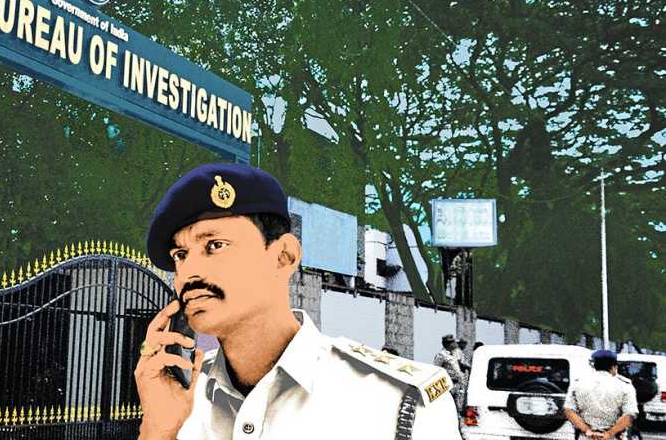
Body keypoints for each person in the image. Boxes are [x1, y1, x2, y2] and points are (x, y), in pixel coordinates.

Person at [134, 163, 461, 439]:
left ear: (283, 257)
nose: (189, 272)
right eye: (180, 254)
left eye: (215, 245)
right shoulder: (181, 398)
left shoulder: (396, 402)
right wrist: (158, 430)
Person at [564, 349, 639, 439]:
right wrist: (609, 433)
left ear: (594, 366)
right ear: (614, 367)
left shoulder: (578, 383)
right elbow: (629, 415)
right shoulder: (625, 386)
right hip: (613, 437)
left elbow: (569, 410)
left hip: (586, 437)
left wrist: (587, 430)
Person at [433, 335, 466, 411]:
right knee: (449, 406)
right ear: (447, 344)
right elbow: (437, 369)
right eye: (452, 342)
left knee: (458, 407)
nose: (454, 344)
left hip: (457, 384)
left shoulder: (455, 354)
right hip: (448, 384)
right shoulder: (441, 355)